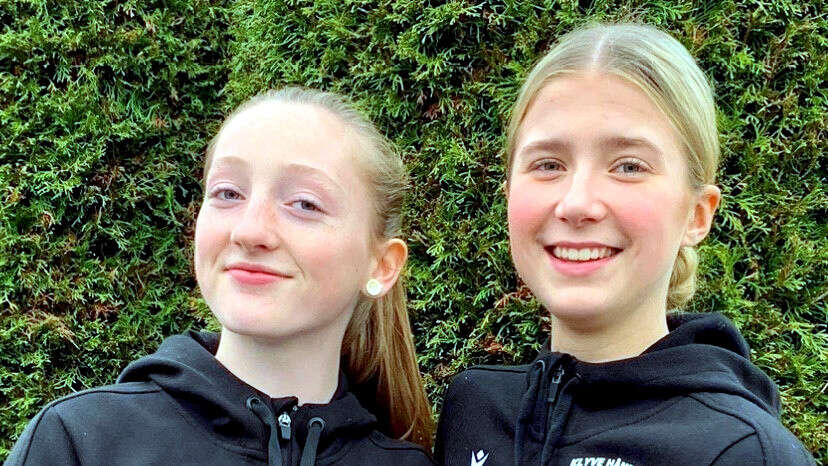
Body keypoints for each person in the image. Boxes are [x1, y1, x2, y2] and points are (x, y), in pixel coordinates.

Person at [435, 23, 815, 466]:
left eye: (629, 166)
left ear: (697, 214)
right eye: (548, 164)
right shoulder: (473, 409)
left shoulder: (745, 452)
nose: (576, 203)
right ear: (509, 195)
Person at [7, 87, 434, 465]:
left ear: (382, 265)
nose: (249, 231)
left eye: (305, 204)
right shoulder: (81, 441)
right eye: (228, 193)